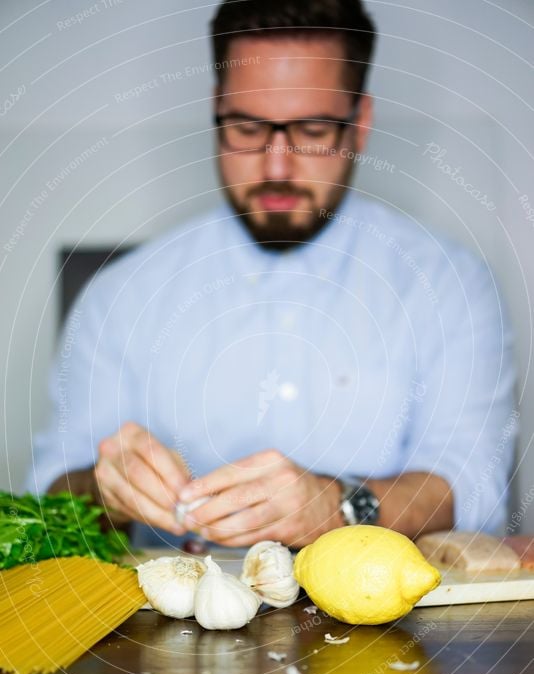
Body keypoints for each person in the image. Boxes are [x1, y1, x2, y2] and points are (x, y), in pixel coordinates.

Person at [27, 0, 516, 548]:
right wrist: (103, 490)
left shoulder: (450, 284)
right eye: (247, 127)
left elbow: (474, 489)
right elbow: (47, 495)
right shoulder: (121, 294)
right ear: (216, 110)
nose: (277, 166)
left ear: (361, 124)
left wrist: (338, 507)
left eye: (311, 128)